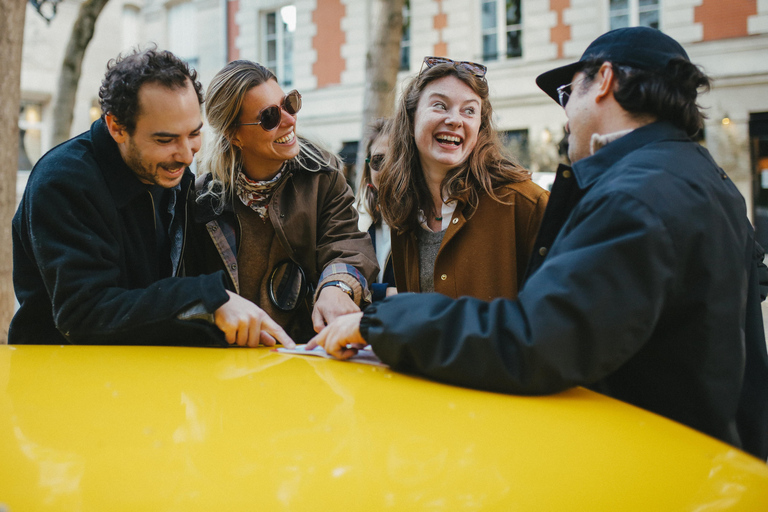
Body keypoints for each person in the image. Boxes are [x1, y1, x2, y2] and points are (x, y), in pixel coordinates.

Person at [310, 28, 768, 459]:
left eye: (568, 94)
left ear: (605, 81)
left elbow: (536, 340)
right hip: (702, 452)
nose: (565, 115)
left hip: (652, 458)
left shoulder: (634, 195)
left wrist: (386, 319)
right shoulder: (704, 178)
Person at [10, 48, 294, 349]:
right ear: (117, 127)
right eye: (165, 139)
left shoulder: (171, 175)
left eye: (194, 134)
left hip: (150, 369)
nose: (186, 156)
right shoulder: (63, 181)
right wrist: (207, 297)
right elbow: (84, 314)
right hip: (61, 371)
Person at [184, 60, 378, 342]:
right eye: (269, 117)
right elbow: (186, 285)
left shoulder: (323, 177)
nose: (289, 120)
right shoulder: (202, 201)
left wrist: (337, 286)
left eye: (290, 104)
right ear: (234, 135)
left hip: (309, 349)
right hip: (231, 357)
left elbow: (347, 243)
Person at [377, 57, 548, 300]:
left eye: (469, 110)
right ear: (412, 117)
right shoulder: (403, 207)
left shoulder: (525, 203)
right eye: (440, 105)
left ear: (480, 127)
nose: (455, 120)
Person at [357, 118, 396, 301]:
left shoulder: (431, 223)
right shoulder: (354, 221)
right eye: (378, 160)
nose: (387, 169)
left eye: (397, 159)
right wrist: (384, 293)